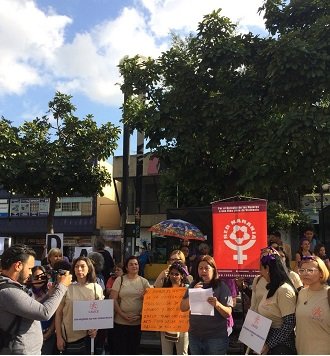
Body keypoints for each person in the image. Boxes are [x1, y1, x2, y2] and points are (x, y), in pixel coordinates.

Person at [0, 244, 72, 354]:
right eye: (29, 268)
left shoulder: (11, 287)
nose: (30, 273)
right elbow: (44, 313)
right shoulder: (7, 291)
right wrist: (62, 286)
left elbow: (33, 306)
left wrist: (49, 294)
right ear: (18, 265)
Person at [180, 255, 233, 354]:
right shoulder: (193, 285)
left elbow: (228, 313)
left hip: (215, 338)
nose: (203, 271)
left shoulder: (221, 287)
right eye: (200, 268)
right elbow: (182, 307)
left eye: (206, 268)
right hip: (195, 336)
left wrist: (217, 304)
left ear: (213, 269)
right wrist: (192, 294)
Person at [55, 256, 104, 355]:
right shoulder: (66, 288)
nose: (79, 269)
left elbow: (100, 314)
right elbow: (58, 314)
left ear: (89, 268)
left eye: (82, 266)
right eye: (77, 266)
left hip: (88, 338)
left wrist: (96, 329)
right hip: (69, 338)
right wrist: (59, 337)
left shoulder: (96, 288)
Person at [258, 247, 297, 355]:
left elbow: (289, 324)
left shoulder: (284, 290)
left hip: (282, 347)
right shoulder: (271, 289)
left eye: (261, 268)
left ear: (268, 269)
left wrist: (269, 344)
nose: (260, 272)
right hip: (269, 342)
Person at [110, 256, 150, 355]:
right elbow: (113, 299)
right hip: (120, 322)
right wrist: (121, 314)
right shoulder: (120, 280)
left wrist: (140, 315)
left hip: (136, 323)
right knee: (120, 350)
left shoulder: (144, 282)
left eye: (136, 264)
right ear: (126, 267)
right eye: (131, 264)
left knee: (133, 350)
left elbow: (150, 302)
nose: (134, 266)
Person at [295, 256, 330, 355]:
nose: (305, 273)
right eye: (302, 270)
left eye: (310, 270)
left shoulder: (328, 294)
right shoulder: (301, 293)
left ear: (321, 273)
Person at [157, 261, 190, 355]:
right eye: (171, 274)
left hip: (182, 326)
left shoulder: (188, 288)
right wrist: (162, 274)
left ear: (182, 276)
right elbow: (154, 289)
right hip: (166, 325)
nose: (174, 276)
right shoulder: (164, 289)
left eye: (177, 274)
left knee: (182, 353)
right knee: (166, 353)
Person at [29, 265, 57, 355]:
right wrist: (47, 296)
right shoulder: (26, 291)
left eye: (42, 276)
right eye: (36, 277)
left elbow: (56, 314)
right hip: (32, 335)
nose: (39, 279)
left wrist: (49, 333)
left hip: (49, 335)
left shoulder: (50, 290)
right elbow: (33, 308)